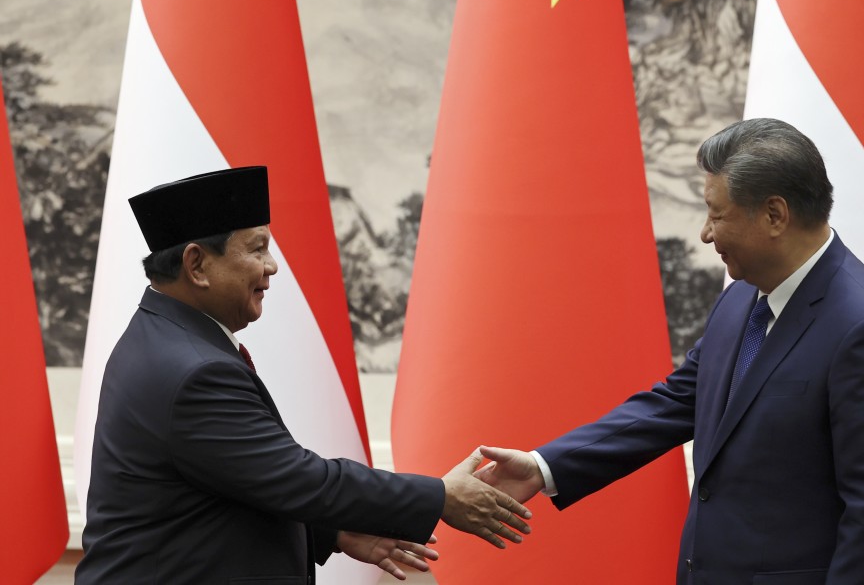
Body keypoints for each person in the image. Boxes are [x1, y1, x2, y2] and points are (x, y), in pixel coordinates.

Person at [476, 118, 864, 584]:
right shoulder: (741, 298)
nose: (705, 234)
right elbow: (678, 401)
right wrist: (543, 467)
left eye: (717, 214)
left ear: (775, 215)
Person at [76, 166, 531, 584]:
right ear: (196, 265)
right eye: (257, 249)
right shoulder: (195, 370)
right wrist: (441, 497)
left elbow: (230, 483)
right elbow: (299, 477)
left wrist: (329, 533)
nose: (272, 267)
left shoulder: (162, 336)